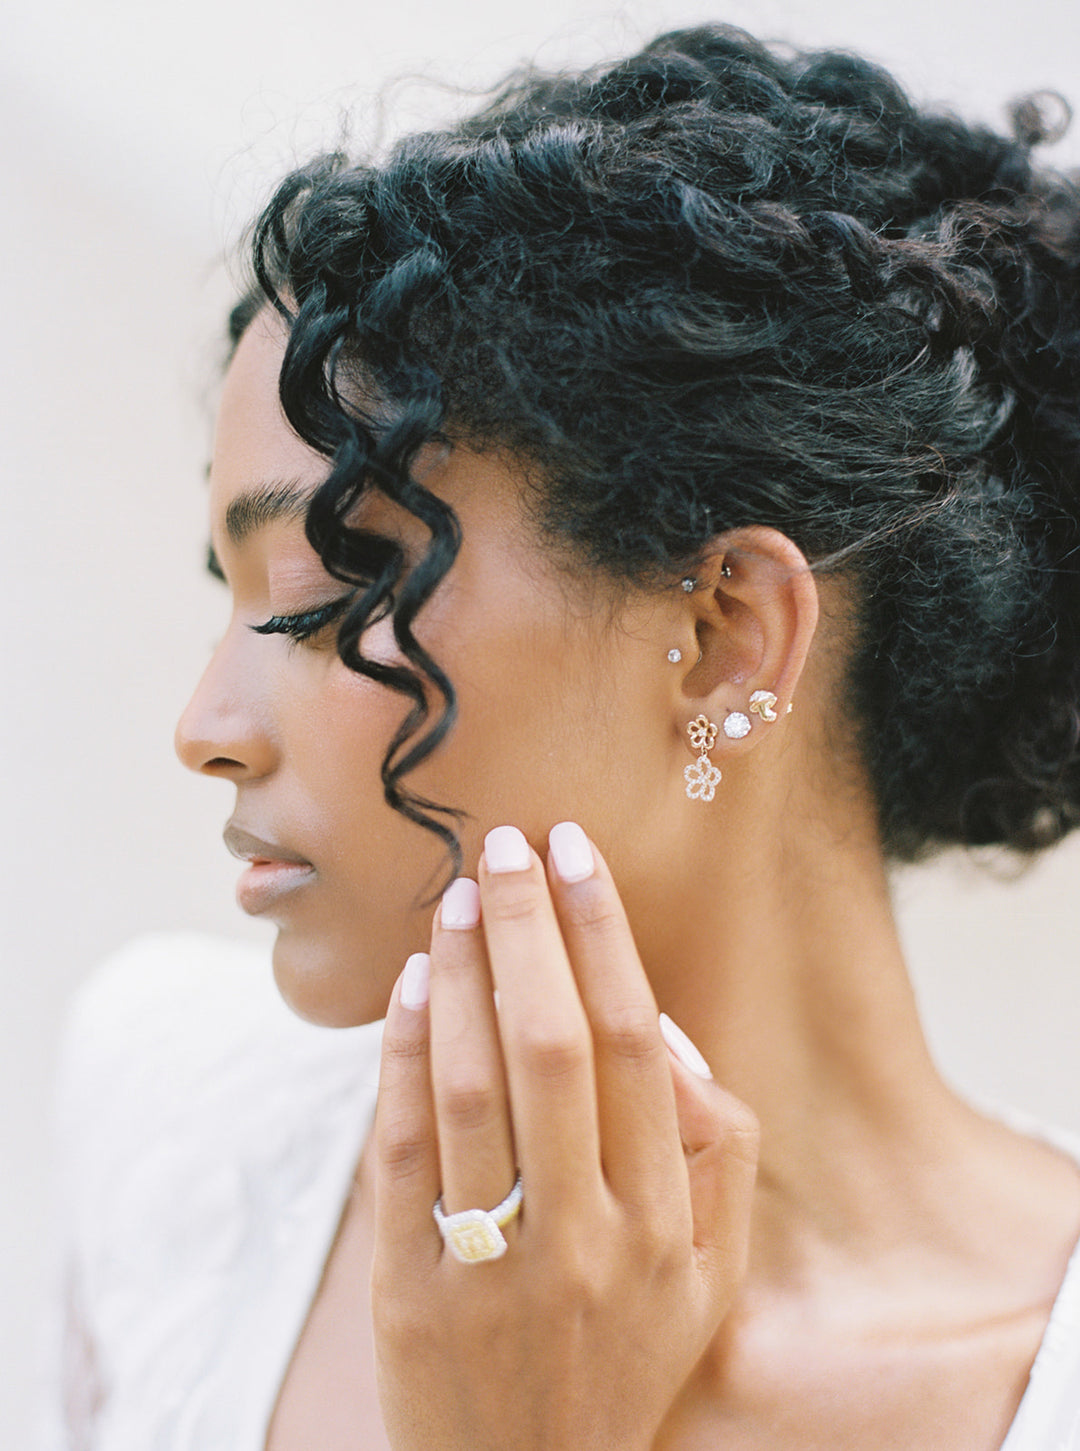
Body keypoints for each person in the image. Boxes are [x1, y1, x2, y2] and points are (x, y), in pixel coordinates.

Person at [46, 22, 1080, 1451]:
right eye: (228, 602)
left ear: (725, 637)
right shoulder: (171, 1121)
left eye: (327, 589)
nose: (204, 732)